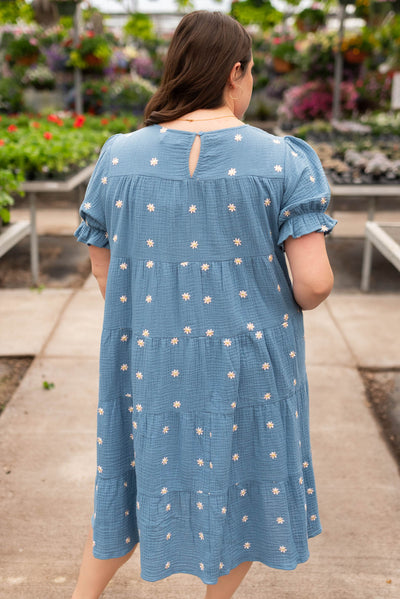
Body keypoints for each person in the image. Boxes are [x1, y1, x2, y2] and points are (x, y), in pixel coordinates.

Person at [72, 10, 337, 599]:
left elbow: (101, 264)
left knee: (133, 483)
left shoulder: (117, 157)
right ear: (235, 72)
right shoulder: (281, 160)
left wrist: (150, 315)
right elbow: (314, 283)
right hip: (250, 364)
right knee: (240, 487)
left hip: (145, 360)